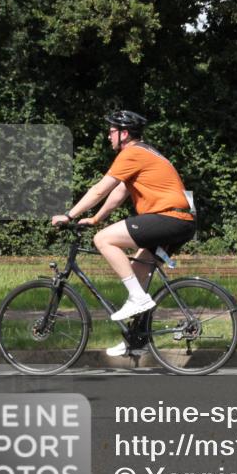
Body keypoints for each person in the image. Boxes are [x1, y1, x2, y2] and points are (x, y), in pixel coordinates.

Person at [51, 110, 195, 355]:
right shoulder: (144, 153)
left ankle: (138, 300)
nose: (108, 136)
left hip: (169, 217)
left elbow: (100, 190)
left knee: (103, 239)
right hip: (181, 220)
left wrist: (70, 215)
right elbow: (118, 194)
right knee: (138, 273)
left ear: (124, 134)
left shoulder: (132, 153)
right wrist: (96, 218)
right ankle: (137, 340)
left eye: (111, 132)